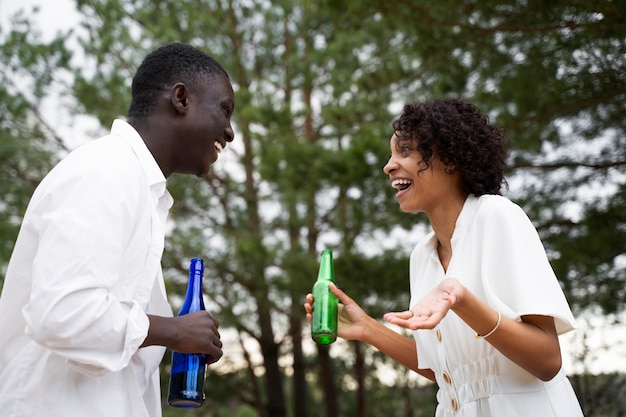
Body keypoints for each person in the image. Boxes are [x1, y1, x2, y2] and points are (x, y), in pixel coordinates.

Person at [305, 98, 584, 416]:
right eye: (391, 154)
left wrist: (464, 302)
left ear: (450, 159)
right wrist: (368, 328)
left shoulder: (497, 216)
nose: (389, 165)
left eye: (405, 150)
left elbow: (547, 361)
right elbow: (448, 375)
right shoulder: (421, 257)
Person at [0, 42, 235, 417]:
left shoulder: (139, 189)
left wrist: (170, 335)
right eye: (224, 110)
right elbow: (62, 312)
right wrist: (172, 332)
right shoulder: (105, 172)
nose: (229, 131)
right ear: (181, 98)